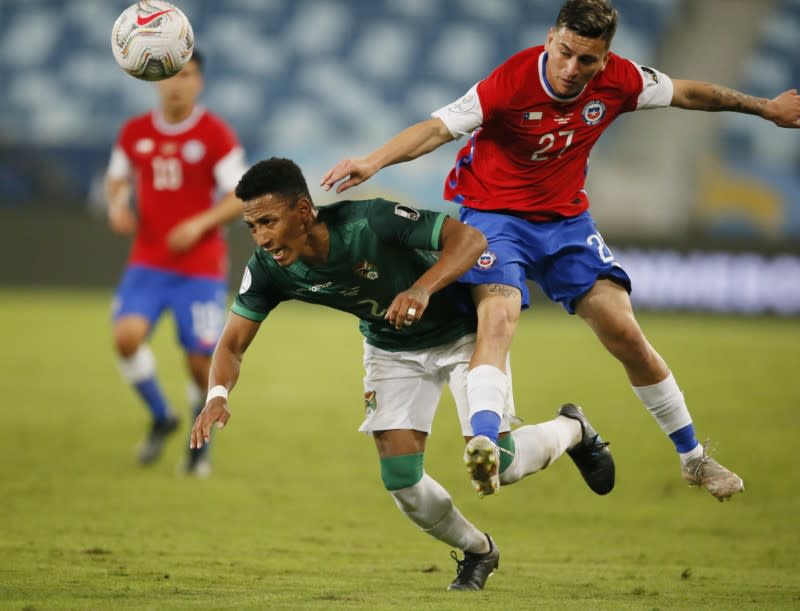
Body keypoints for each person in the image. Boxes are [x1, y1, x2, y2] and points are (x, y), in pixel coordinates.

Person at [321, 0, 800, 501]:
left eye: (586, 60)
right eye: (566, 53)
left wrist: (764, 107)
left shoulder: (621, 78)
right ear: (551, 38)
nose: (572, 69)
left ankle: (694, 458)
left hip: (566, 223)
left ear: (605, 56)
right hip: (493, 218)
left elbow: (689, 92)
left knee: (625, 333)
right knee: (498, 318)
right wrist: (374, 161)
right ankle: (485, 440)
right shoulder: (508, 83)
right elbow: (437, 128)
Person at [190, 157, 615, 591]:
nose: (261, 238)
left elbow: (470, 240)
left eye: (268, 222)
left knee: (500, 466)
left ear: (302, 211)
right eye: (252, 227)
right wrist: (217, 394)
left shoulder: (370, 221)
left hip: (462, 334)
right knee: (401, 480)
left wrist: (421, 288)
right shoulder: (268, 270)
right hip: (390, 345)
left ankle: (571, 429)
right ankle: (478, 550)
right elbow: (231, 344)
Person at [105, 50, 248, 476]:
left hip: (199, 269)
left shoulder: (215, 134)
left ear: (199, 82)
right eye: (171, 76)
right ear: (157, 81)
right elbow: (117, 175)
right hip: (148, 262)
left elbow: (239, 195)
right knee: (126, 337)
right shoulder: (134, 132)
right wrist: (117, 203)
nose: (177, 83)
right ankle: (162, 416)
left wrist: (199, 223)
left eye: (187, 75)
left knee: (200, 362)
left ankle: (199, 444)